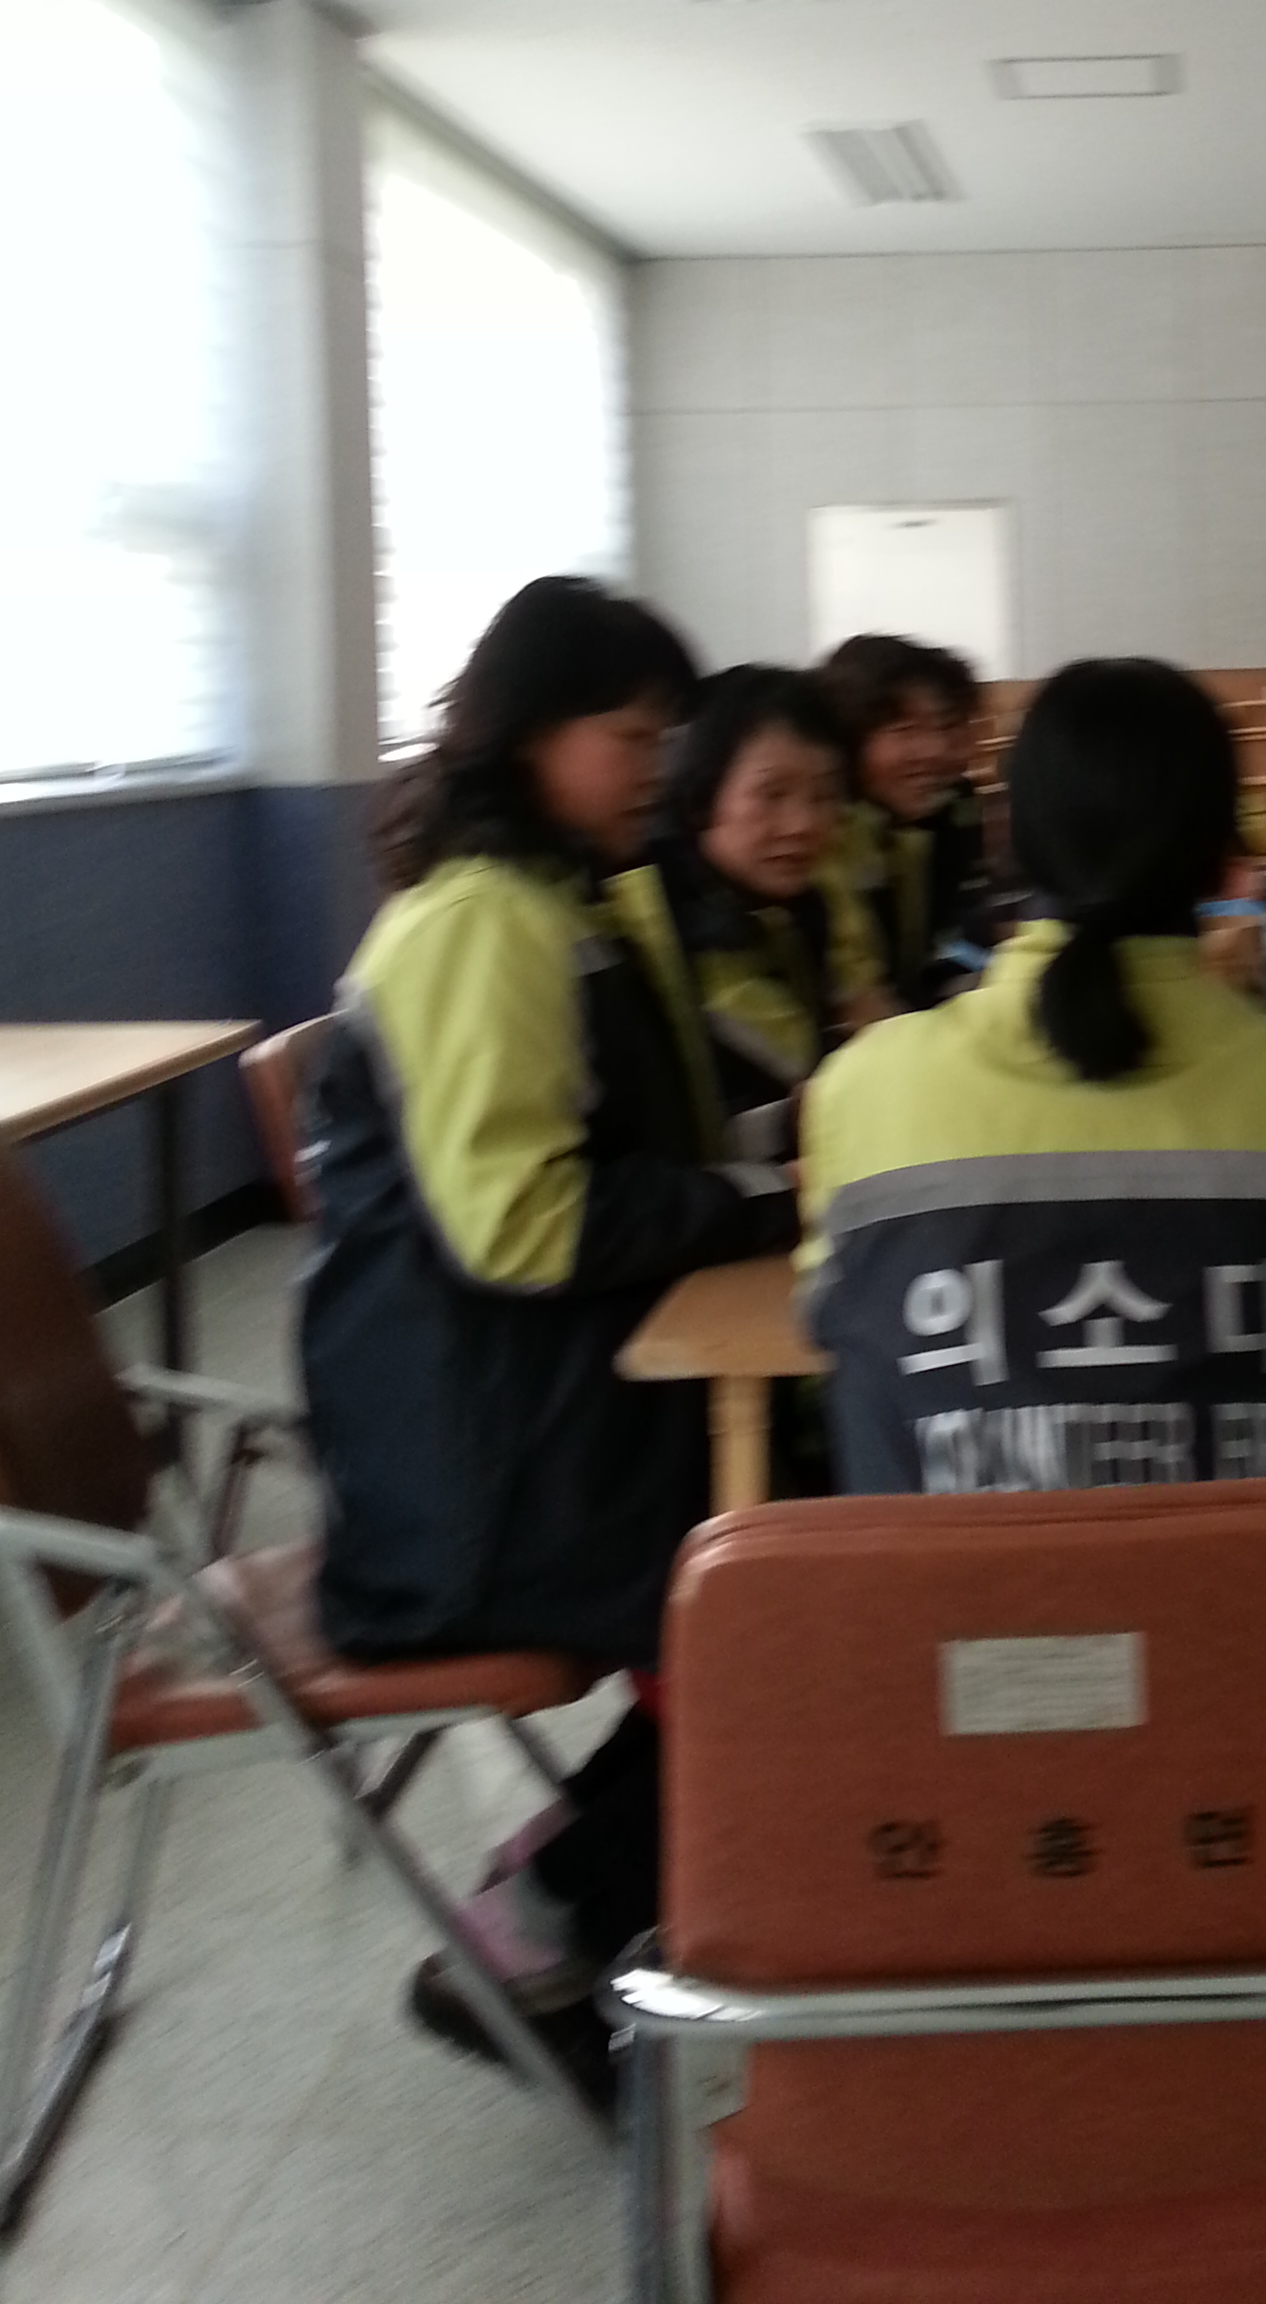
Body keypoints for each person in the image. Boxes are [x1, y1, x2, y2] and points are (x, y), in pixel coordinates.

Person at [298, 577, 799, 2085]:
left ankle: (572, 1889)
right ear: (530, 735)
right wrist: (753, 1201)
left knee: (809, 1541)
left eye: (666, 738)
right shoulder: (483, 924)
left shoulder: (556, 900)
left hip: (524, 1408)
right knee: (799, 1600)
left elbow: (640, 1138)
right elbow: (520, 1224)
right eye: (631, 736)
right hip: (478, 1474)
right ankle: (540, 1925)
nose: (657, 767)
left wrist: (774, 1169)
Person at [798, 655, 1266, 1493]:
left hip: (938, 1581)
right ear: (1225, 855)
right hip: (1263, 1580)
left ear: (1012, 840)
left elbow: (830, 1325)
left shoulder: (864, 1086)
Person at [657, 664, 886, 1129]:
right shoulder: (665, 928)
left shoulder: (809, 903)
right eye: (771, 794)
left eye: (824, 796)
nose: (803, 824)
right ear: (702, 794)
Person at [817, 631, 1000, 1007]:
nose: (935, 751)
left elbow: (958, 931)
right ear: (847, 739)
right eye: (904, 730)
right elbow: (855, 994)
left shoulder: (950, 808)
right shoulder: (822, 832)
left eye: (947, 726)